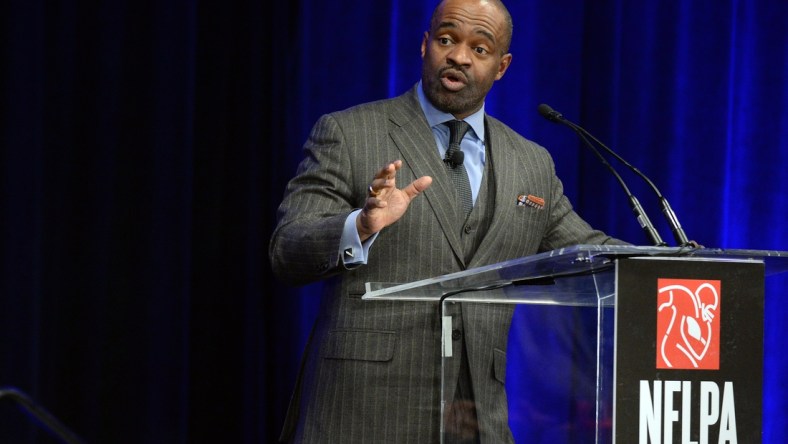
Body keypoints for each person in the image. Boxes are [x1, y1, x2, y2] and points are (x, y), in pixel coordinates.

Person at [269, 0, 627, 442]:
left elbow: (589, 253)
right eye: (446, 40)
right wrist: (360, 226)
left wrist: (676, 267)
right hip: (362, 412)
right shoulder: (349, 132)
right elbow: (288, 249)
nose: (458, 56)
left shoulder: (531, 164)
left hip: (476, 418)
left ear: (502, 66)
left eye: (480, 48)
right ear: (424, 45)